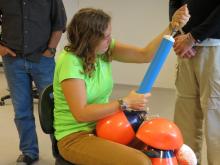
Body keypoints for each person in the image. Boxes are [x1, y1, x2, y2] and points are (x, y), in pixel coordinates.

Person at [53, 6, 189, 165]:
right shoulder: (70, 62)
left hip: (104, 126)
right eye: (105, 37)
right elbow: (81, 114)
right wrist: (124, 103)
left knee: (161, 146)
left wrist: (171, 27)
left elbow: (145, 55)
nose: (110, 40)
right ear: (90, 39)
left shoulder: (103, 49)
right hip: (74, 137)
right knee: (141, 162)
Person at [0, 1, 66, 164]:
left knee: (54, 109)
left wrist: (51, 50)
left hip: (43, 59)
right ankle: (29, 152)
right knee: (21, 110)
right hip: (13, 59)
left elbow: (59, 23)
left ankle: (60, 153)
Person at [169, 0, 220, 164]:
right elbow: (175, 3)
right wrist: (177, 35)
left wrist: (194, 37)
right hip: (185, 48)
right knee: (185, 120)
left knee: (215, 121)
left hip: (214, 46)